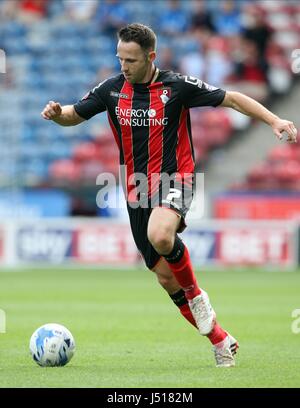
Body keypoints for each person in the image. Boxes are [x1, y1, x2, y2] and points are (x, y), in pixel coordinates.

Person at [41, 23, 298, 367]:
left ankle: (196, 294)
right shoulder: (112, 89)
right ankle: (221, 340)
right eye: (120, 58)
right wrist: (58, 115)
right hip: (136, 191)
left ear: (151, 57)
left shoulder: (177, 87)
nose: (124, 66)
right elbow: (75, 114)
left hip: (177, 178)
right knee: (165, 278)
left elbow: (232, 98)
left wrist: (274, 120)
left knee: (161, 235)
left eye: (131, 60)